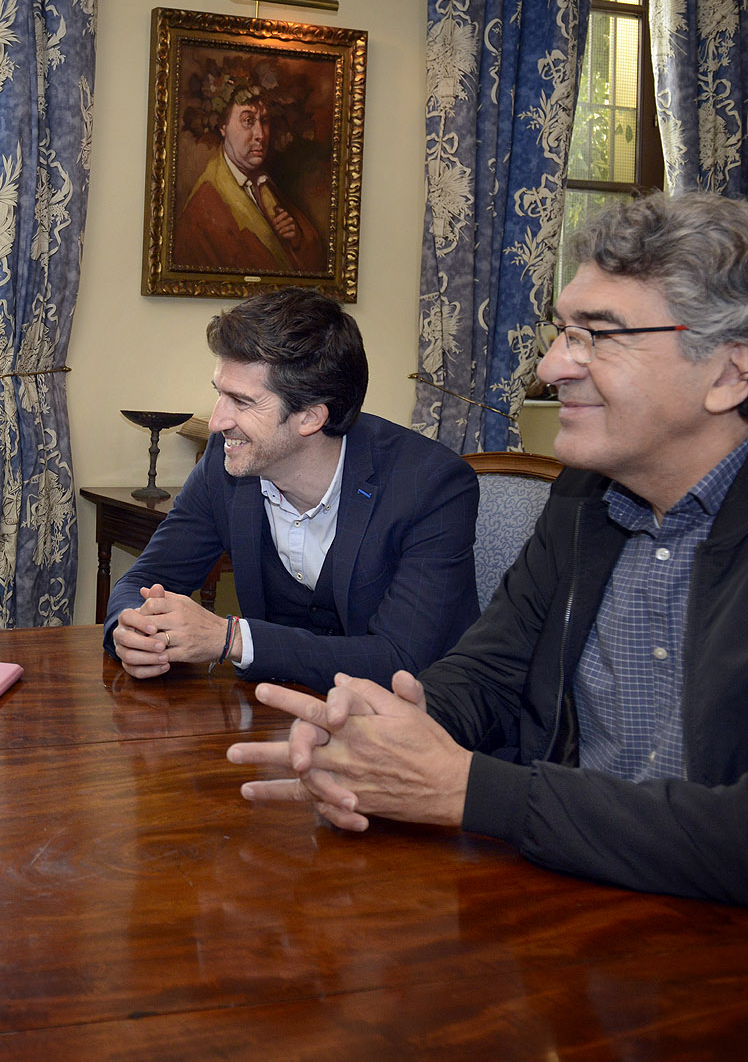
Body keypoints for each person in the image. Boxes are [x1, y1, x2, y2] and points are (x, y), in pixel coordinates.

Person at [229, 192, 748, 906]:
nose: (551, 366)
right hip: (565, 895)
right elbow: (493, 670)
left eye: (597, 335)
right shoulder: (584, 499)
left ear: (728, 373)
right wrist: (387, 729)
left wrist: (471, 791)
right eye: (562, 332)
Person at [105, 287, 480, 691]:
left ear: (311, 418)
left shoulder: (432, 486)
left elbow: (402, 661)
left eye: (241, 402)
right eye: (219, 394)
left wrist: (232, 639)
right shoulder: (224, 463)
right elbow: (145, 579)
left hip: (416, 718)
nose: (216, 422)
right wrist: (133, 632)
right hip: (274, 712)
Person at [174, 88, 327, 272]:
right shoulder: (203, 206)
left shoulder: (265, 185)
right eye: (248, 121)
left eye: (264, 121)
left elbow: (315, 263)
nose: (260, 134)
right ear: (223, 127)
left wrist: (295, 240)